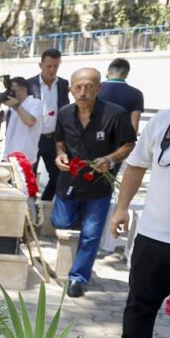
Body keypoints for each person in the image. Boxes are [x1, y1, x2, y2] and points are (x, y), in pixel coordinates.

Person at [51, 67, 136, 298]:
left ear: (99, 88)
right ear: (70, 90)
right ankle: (79, 222)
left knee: (90, 234)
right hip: (69, 179)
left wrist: (110, 158)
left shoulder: (115, 114)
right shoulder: (64, 113)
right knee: (60, 220)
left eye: (89, 86)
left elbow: (129, 144)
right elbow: (59, 141)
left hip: (99, 183)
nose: (83, 91)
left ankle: (78, 278)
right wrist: (60, 154)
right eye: (78, 87)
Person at [110, 108, 170, 338]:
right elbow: (136, 166)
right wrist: (121, 208)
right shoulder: (163, 121)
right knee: (139, 308)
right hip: (153, 238)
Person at [28, 48, 70, 201]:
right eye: (48, 66)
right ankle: (29, 208)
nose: (52, 70)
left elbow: (66, 109)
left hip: (54, 139)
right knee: (28, 176)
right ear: (40, 65)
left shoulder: (64, 84)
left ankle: (44, 204)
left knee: (58, 176)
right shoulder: (28, 84)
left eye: (55, 66)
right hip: (33, 138)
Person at [0, 76, 43, 164]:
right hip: (8, 156)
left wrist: (16, 105)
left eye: (13, 91)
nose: (11, 93)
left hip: (25, 158)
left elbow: (30, 122)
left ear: (24, 90)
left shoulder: (35, 103)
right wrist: (0, 102)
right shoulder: (12, 108)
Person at [98, 58, 144, 133]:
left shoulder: (95, 90)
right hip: (121, 141)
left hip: (96, 138)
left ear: (107, 73)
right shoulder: (137, 94)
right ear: (126, 75)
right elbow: (134, 126)